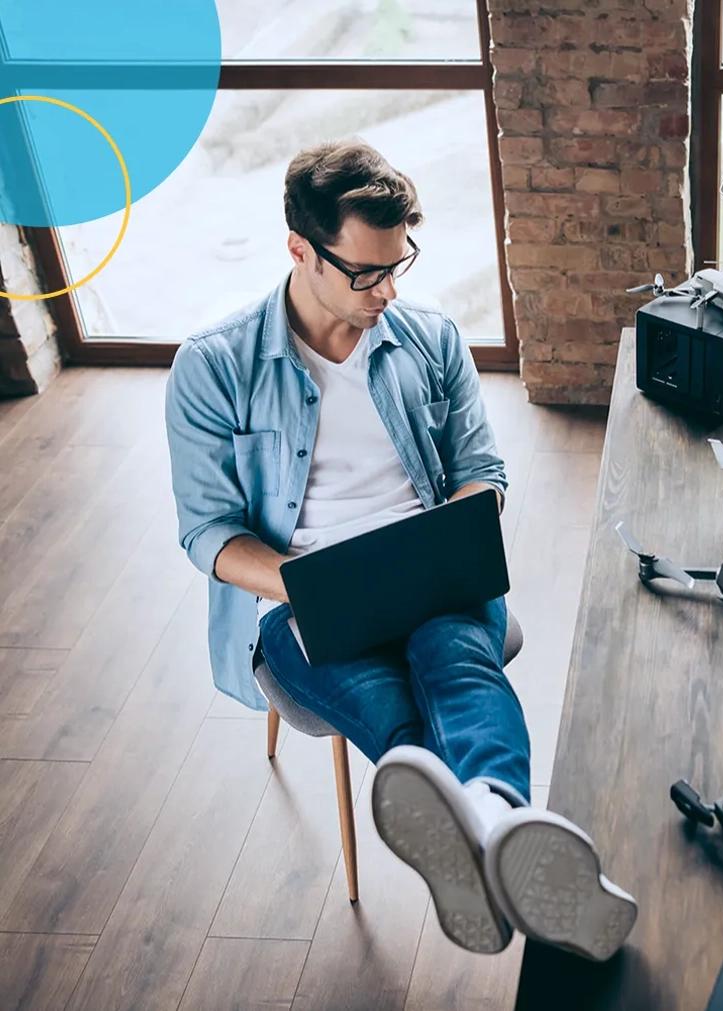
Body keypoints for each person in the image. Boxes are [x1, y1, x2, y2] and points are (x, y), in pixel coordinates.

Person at [164, 140, 637, 961]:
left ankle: (480, 829)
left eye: (398, 266)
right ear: (300, 252)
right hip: (298, 595)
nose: (387, 290)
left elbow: (480, 471)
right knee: (385, 701)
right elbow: (208, 533)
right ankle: (502, 835)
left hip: (428, 571)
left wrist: (451, 533)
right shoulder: (214, 366)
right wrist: (314, 585)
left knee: (457, 660)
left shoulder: (428, 339)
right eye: (363, 273)